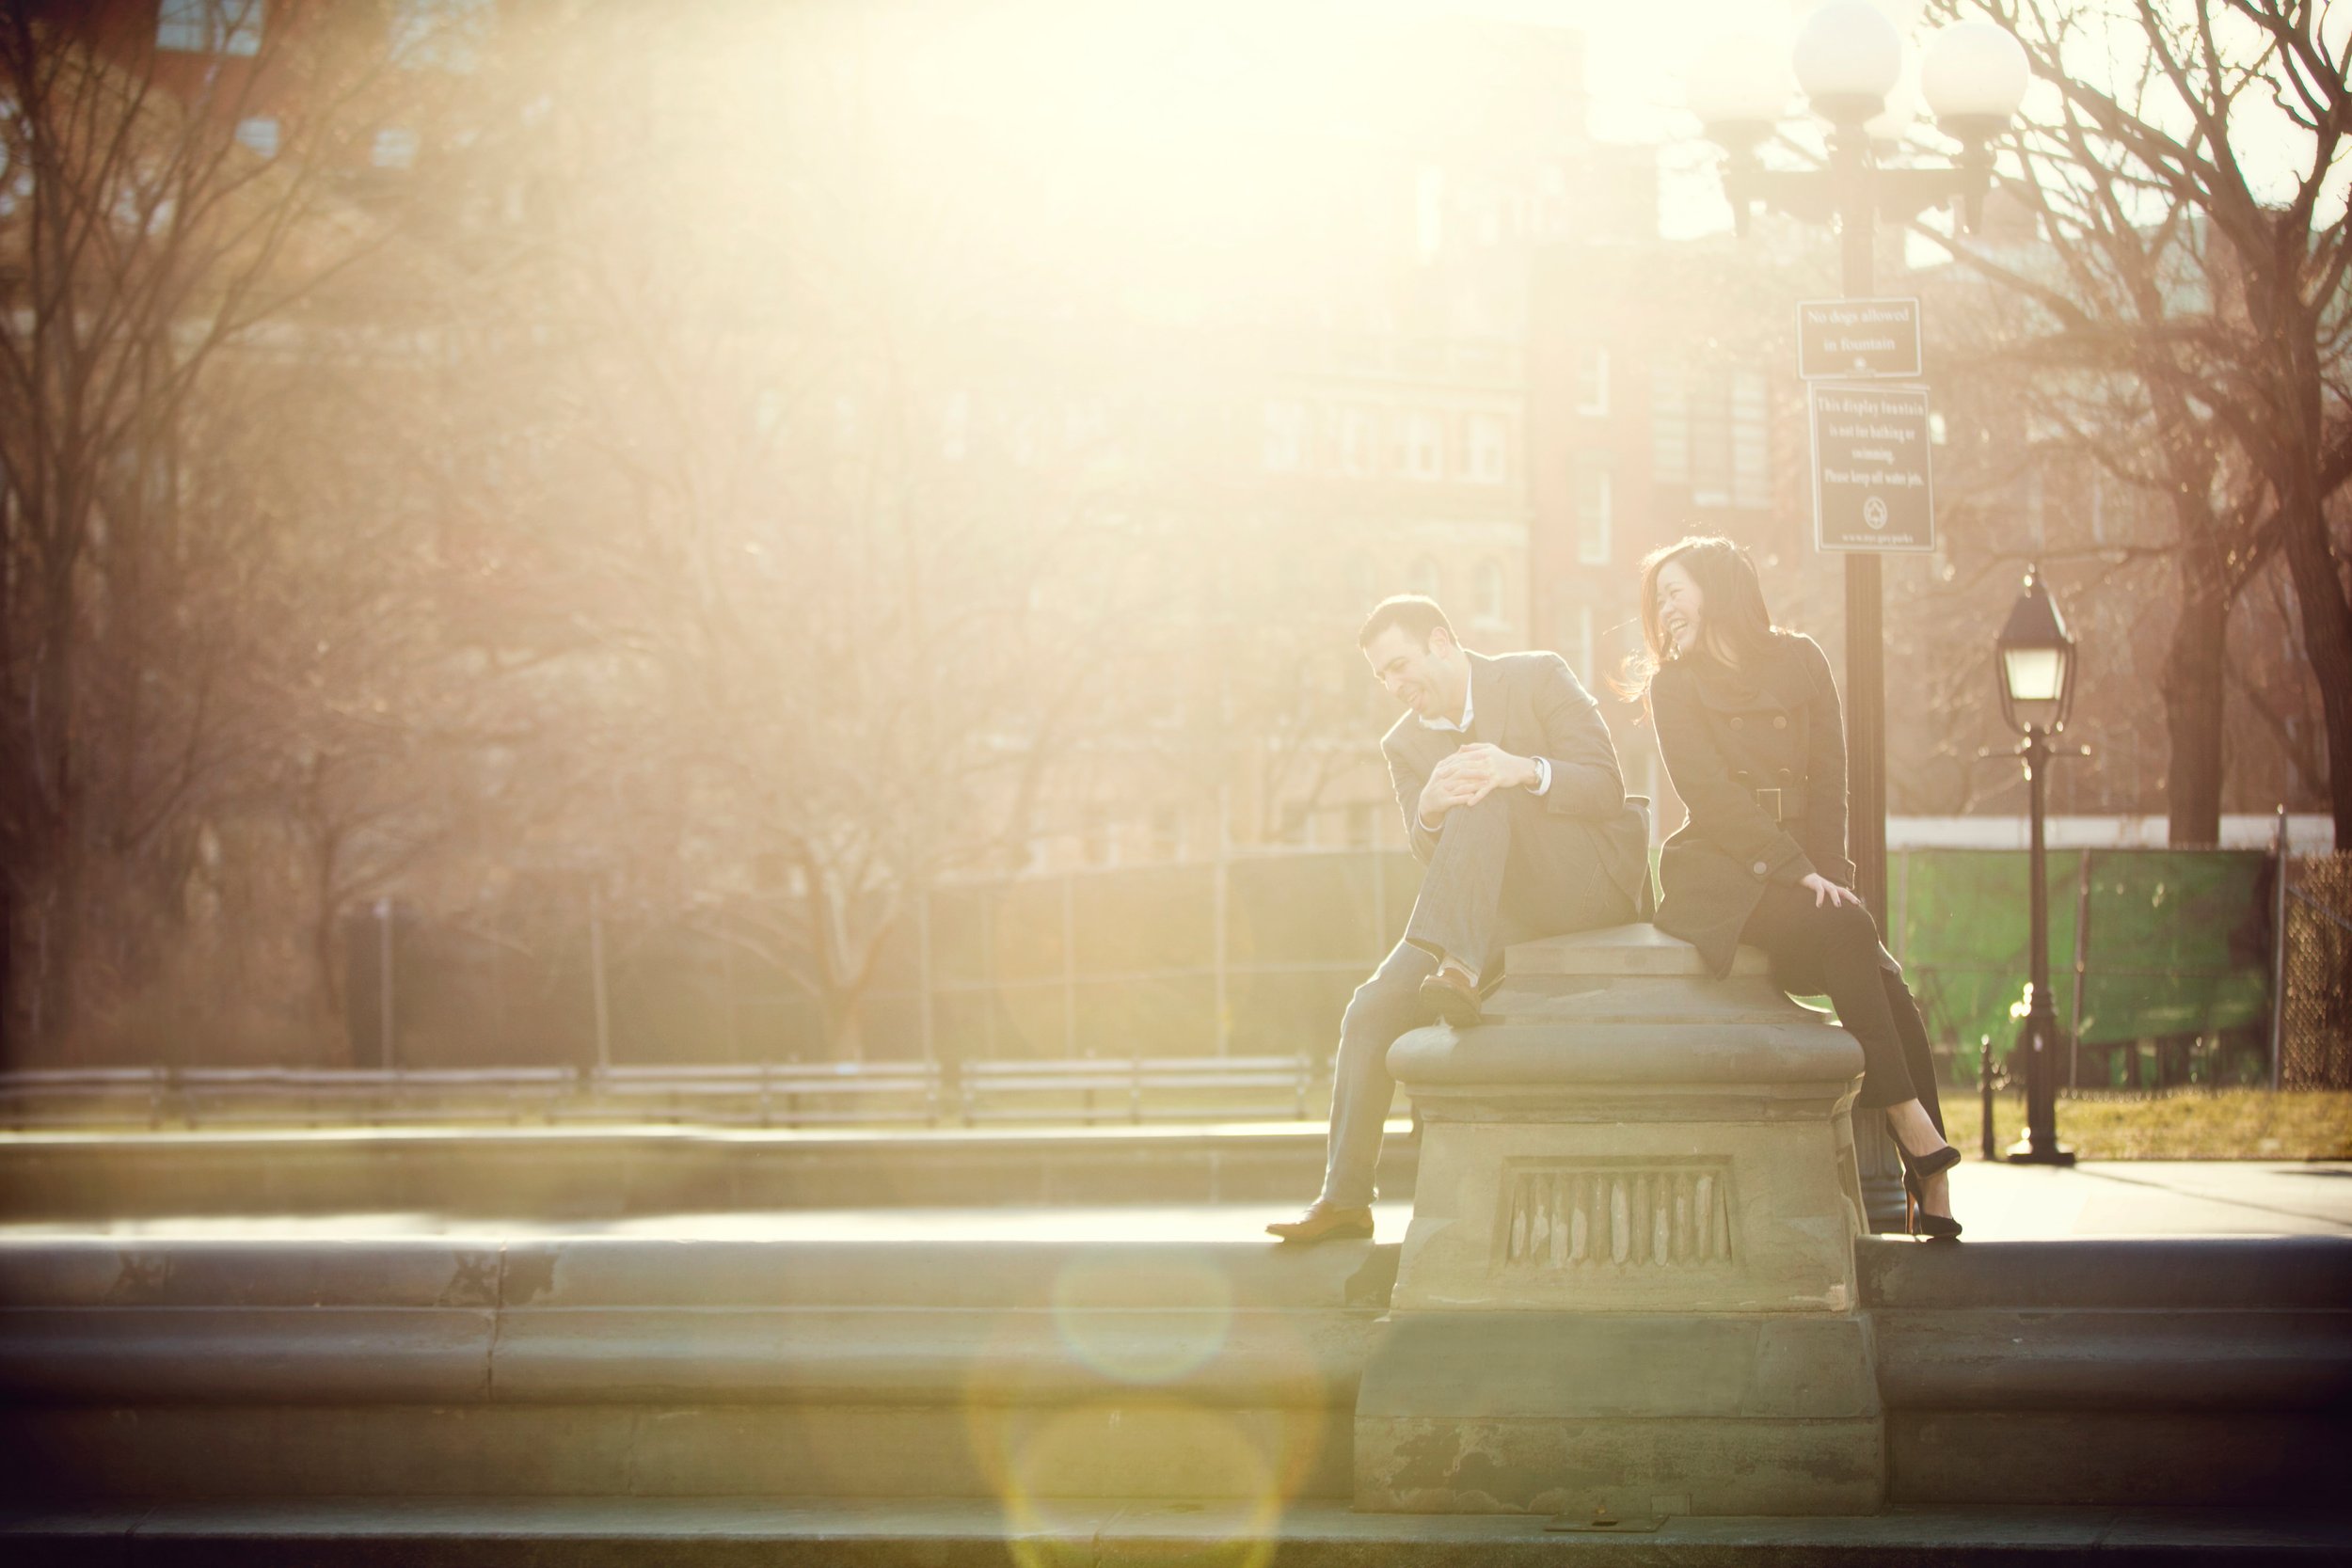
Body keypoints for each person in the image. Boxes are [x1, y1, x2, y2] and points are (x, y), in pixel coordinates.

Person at [1266, 595, 1652, 1244]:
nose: (1394, 686)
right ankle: (1345, 1199)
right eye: (1382, 677)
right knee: (1371, 1006)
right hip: (1495, 904)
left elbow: (1606, 786)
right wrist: (1433, 811)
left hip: (1587, 879)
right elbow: (1427, 850)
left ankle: (1460, 966)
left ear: (1441, 642)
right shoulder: (1404, 743)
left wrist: (1518, 769)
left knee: (1483, 780)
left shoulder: (1537, 675)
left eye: (1398, 665)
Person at [1631, 535, 1961, 1240]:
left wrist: (1828, 879)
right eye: (1659, 597)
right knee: (1855, 936)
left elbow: (1830, 786)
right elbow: (1711, 796)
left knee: (1882, 973)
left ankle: (1931, 1178)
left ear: (1718, 589)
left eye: (1675, 590)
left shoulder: (1801, 660)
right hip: (1722, 878)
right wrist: (1792, 867)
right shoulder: (1673, 685)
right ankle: (1913, 1132)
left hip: (1803, 875)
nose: (1665, 609)